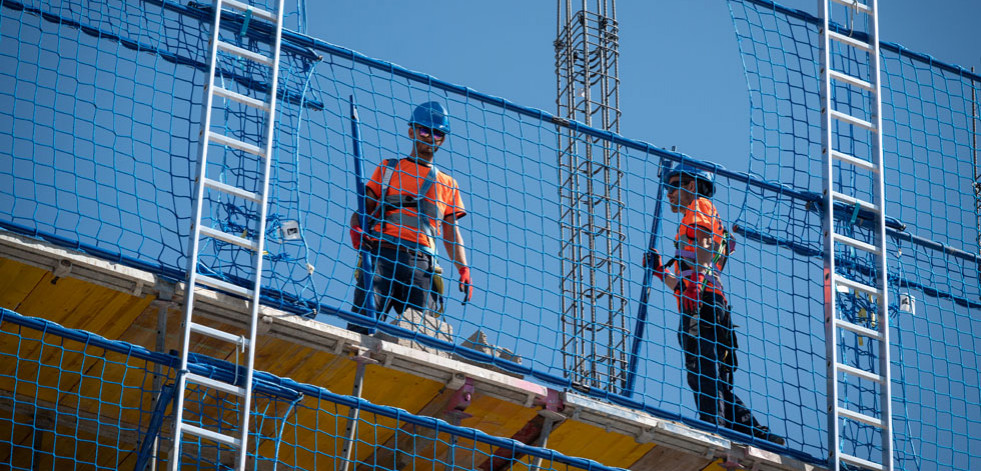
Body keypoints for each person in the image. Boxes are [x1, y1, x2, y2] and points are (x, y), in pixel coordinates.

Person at [645, 164, 784, 446]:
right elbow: (694, 272)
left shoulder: (700, 206)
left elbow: (704, 253)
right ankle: (751, 430)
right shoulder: (697, 216)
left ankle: (713, 429)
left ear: (692, 186)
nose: (669, 192)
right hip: (706, 300)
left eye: (673, 185)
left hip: (703, 302)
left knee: (702, 370)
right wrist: (662, 273)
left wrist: (695, 281)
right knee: (712, 373)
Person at [347, 101, 473, 334]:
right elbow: (364, 209)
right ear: (411, 131)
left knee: (422, 335)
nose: (431, 137)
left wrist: (463, 268)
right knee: (362, 326)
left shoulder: (448, 184)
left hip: (421, 262)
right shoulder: (389, 168)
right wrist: (356, 230)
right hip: (381, 254)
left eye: (438, 133)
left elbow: (450, 231)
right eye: (425, 131)